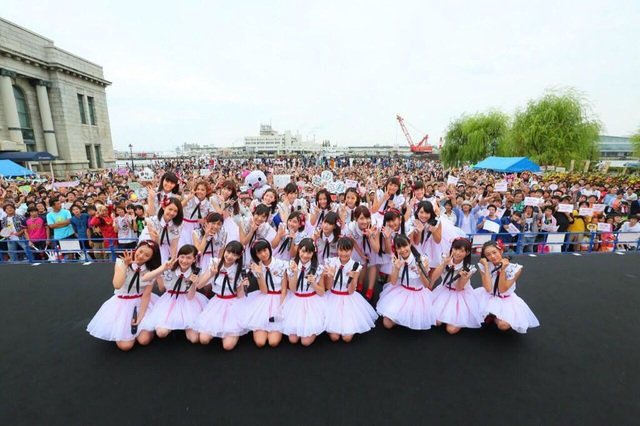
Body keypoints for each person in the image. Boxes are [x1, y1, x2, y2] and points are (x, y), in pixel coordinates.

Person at [86, 240, 161, 351]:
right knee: (126, 346)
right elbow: (117, 285)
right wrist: (125, 265)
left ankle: (146, 328)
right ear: (136, 249)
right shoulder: (121, 262)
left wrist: (140, 317)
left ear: (151, 258)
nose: (141, 256)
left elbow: (146, 295)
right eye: (140, 251)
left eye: (146, 255)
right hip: (122, 304)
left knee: (144, 340)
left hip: (142, 302)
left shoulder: (151, 270)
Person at [139, 244, 207, 343]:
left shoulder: (196, 272)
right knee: (161, 333)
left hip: (189, 302)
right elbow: (149, 281)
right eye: (182, 257)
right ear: (178, 257)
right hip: (170, 300)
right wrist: (161, 270)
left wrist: (193, 284)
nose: (184, 260)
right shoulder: (169, 268)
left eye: (188, 258)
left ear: (194, 259)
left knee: (194, 339)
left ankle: (185, 325)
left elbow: (190, 297)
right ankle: (172, 324)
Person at [475, 241, 540, 333]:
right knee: (472, 316)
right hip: (487, 297)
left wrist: (503, 269)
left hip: (505, 300)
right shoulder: (485, 266)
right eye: (488, 255)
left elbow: (502, 289)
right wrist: (485, 266)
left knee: (503, 326)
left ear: (500, 251)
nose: (492, 256)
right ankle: (489, 313)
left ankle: (493, 317)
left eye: (494, 252)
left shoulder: (515, 268)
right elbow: (488, 288)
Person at [194, 241, 248, 350]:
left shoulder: (240, 269)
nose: (230, 256)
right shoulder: (215, 263)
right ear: (224, 250)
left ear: (239, 256)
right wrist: (211, 274)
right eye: (228, 252)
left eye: (234, 254)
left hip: (233, 304)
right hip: (217, 302)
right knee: (203, 340)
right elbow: (199, 286)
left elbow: (240, 295)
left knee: (227, 346)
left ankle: (231, 331)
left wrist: (243, 285)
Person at [323, 238, 377, 342]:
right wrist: (331, 276)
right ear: (337, 250)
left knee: (347, 338)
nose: (343, 253)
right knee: (334, 337)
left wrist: (352, 279)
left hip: (348, 298)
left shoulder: (355, 266)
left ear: (351, 251)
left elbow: (351, 291)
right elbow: (328, 287)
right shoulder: (331, 262)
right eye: (341, 250)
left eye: (347, 250)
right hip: (332, 297)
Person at [376, 235, 435, 330]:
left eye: (405, 246)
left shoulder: (422, 259)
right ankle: (401, 317)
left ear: (410, 244)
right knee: (387, 324)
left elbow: (426, 285)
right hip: (401, 292)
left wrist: (421, 272)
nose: (402, 250)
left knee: (414, 321)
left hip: (417, 295)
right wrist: (396, 268)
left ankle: (405, 316)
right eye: (399, 248)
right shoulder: (396, 260)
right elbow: (393, 282)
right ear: (395, 249)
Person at [240, 239, 289, 348]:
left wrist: (281, 308)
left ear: (269, 249)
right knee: (260, 342)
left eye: (265, 250)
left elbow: (284, 289)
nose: (263, 254)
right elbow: (264, 291)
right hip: (264, 299)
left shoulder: (281, 264)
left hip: (279, 297)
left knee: (273, 342)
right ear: (256, 255)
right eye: (259, 252)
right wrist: (260, 274)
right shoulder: (256, 267)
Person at [430, 238, 483, 334]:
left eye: (462, 251)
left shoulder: (469, 268)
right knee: (435, 322)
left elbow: (459, 288)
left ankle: (460, 318)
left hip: (460, 296)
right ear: (452, 248)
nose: (457, 253)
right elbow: (433, 278)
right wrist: (443, 264)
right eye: (455, 249)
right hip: (444, 292)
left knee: (451, 330)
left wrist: (462, 277)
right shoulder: (445, 259)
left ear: (467, 253)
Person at [282, 238, 326, 346]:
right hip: (296, 301)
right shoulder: (292, 265)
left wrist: (314, 284)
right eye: (303, 251)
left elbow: (322, 292)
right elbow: (292, 289)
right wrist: (295, 273)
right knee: (293, 340)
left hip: (312, 302)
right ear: (299, 250)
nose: (305, 255)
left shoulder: (318, 268)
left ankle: (313, 329)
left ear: (313, 253)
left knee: (305, 342)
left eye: (309, 252)